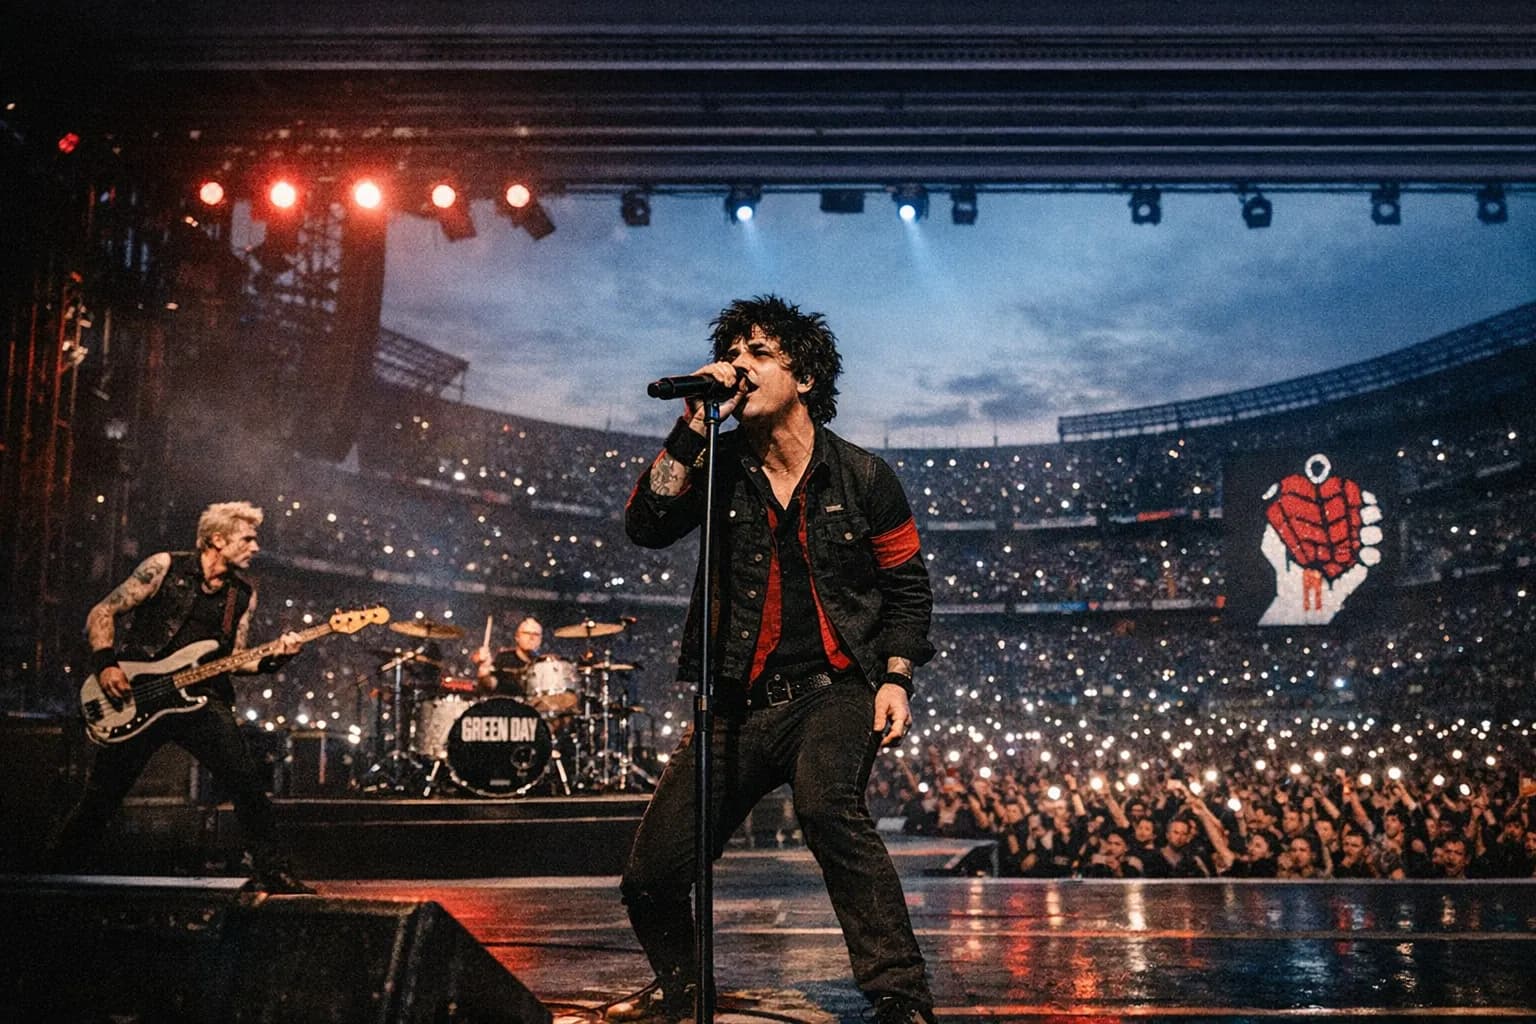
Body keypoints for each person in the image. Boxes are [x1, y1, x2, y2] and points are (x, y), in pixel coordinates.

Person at [615, 295, 937, 1024]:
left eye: (758, 354)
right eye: (732, 354)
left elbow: (908, 590)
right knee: (650, 876)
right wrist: (694, 427)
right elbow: (645, 524)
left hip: (835, 690)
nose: (738, 367)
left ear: (806, 378)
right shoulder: (717, 465)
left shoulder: (865, 479)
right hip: (733, 702)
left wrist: (896, 677)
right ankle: (687, 989)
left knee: (828, 810)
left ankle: (900, 1000)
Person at [49, 501, 313, 894]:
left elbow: (233, 661)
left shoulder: (242, 595)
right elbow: (101, 613)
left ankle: (273, 870)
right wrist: (107, 664)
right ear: (218, 540)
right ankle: (55, 873)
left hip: (201, 700)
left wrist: (276, 659)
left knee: (245, 781)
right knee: (102, 794)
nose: (256, 547)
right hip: (137, 695)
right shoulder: (164, 567)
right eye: (248, 538)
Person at [471, 615, 544, 696]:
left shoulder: (542, 663)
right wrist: (484, 672)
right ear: (517, 637)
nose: (531, 637)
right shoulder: (504, 658)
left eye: (536, 634)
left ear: (541, 639)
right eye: (526, 633)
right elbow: (491, 684)